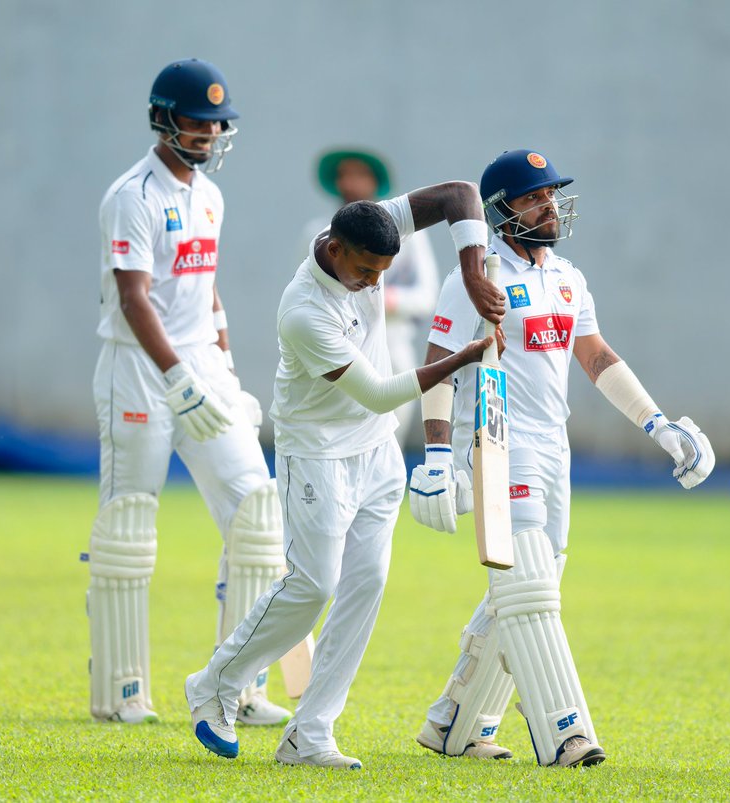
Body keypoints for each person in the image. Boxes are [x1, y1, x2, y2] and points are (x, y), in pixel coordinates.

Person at [407, 149, 716, 768]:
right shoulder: (475, 276)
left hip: (554, 445)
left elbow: (596, 356)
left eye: (552, 194)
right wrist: (437, 454)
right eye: (534, 196)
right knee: (528, 589)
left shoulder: (568, 276)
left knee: (529, 588)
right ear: (500, 212)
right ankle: (565, 733)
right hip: (498, 441)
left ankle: (455, 723)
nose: (550, 204)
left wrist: (658, 425)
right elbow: (437, 365)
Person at [185, 183, 504, 770]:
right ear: (334, 251)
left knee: (365, 587)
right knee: (314, 585)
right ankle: (214, 684)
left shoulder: (371, 227)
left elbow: (460, 194)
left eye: (384, 271)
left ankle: (311, 733)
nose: (374, 283)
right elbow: (381, 394)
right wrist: (464, 356)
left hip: (377, 454)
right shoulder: (303, 310)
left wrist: (473, 271)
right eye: (365, 271)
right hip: (318, 455)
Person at [87, 58, 293, 727]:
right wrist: (175, 375)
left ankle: (239, 683)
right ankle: (120, 691)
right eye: (195, 122)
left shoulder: (211, 195)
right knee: (129, 522)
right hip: (139, 369)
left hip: (201, 365)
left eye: (214, 123)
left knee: (259, 511)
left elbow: (205, 288)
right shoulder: (132, 195)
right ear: (162, 117)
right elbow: (133, 296)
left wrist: (225, 373)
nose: (206, 134)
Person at [312, 148, 441, 447]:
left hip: (391, 345)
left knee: (387, 446)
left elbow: (426, 296)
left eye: (359, 175)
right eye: (344, 175)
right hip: (338, 347)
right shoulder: (317, 234)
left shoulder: (408, 236)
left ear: (374, 182)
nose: (350, 183)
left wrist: (380, 296)